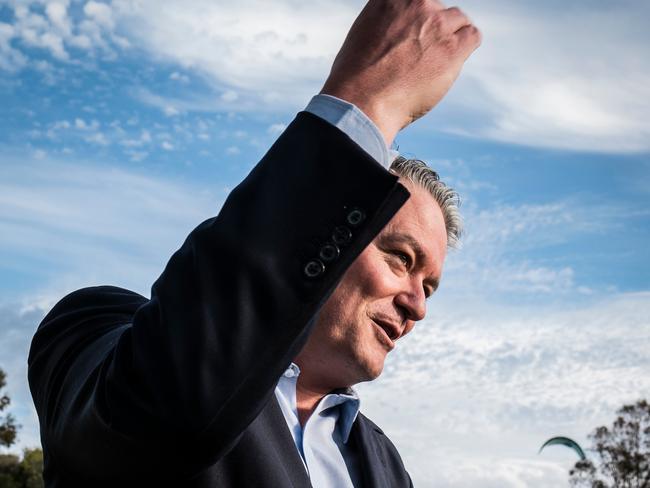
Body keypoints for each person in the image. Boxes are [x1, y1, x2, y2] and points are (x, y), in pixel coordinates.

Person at [28, 1, 481, 486]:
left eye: (429, 287)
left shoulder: (385, 466)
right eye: (400, 258)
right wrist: (366, 105)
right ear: (332, 234)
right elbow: (157, 419)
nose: (417, 307)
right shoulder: (94, 335)